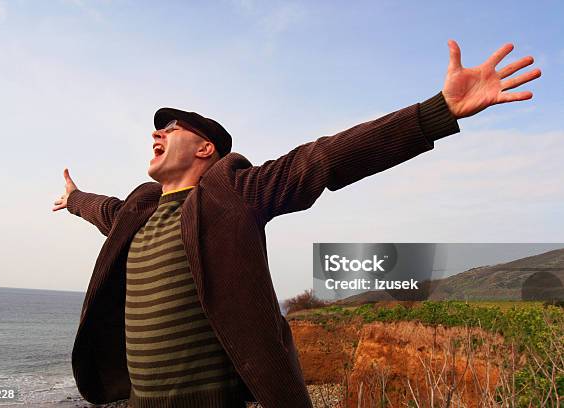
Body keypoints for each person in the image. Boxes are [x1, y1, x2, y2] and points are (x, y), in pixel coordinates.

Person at [52, 40, 541, 408]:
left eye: (171, 128)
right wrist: (75, 199)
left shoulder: (233, 194)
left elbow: (327, 157)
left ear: (205, 149)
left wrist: (438, 113)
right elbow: (104, 209)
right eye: (157, 128)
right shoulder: (137, 211)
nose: (156, 132)